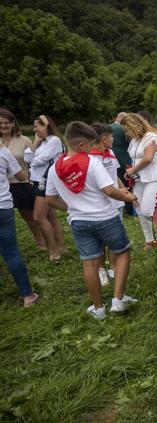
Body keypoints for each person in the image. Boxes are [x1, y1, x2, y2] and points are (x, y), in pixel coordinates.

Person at [46, 122, 137, 319]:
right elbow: (109, 190)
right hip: (105, 217)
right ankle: (118, 300)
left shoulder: (55, 169)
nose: (91, 149)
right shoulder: (92, 162)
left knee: (89, 263)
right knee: (122, 252)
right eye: (89, 145)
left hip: (79, 221)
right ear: (80, 145)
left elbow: (50, 198)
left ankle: (98, 309)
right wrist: (127, 197)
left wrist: (71, 207)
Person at [0, 141, 39, 307]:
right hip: (2, 206)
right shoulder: (3, 152)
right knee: (11, 253)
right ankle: (27, 295)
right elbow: (20, 175)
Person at [23, 114, 66, 263]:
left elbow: (39, 160)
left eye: (36, 126)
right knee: (51, 216)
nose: (34, 129)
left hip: (46, 182)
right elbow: (27, 159)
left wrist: (33, 161)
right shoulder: (42, 142)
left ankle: (54, 252)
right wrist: (36, 142)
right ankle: (61, 247)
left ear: (45, 125)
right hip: (37, 181)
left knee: (38, 217)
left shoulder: (54, 140)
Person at [0, 109, 44, 247]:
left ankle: (40, 239)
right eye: (0, 123)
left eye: (7, 122)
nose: (3, 126)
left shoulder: (24, 140)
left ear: (13, 123)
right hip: (2, 185)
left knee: (29, 216)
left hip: (20, 183)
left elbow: (33, 161)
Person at [90, 123, 126, 286]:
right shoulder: (91, 158)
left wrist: (122, 187)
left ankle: (112, 267)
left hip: (116, 203)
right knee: (100, 240)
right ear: (104, 139)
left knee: (114, 237)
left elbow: (114, 175)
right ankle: (100, 269)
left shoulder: (110, 153)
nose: (113, 139)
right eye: (111, 136)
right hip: (99, 205)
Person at [121, 113, 157, 248]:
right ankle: (149, 240)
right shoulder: (134, 140)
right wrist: (131, 172)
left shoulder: (151, 137)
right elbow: (135, 158)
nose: (126, 133)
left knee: (147, 210)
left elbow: (148, 158)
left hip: (153, 178)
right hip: (139, 179)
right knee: (139, 209)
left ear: (134, 126)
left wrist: (133, 170)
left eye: (127, 129)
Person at [111, 112, 135, 217]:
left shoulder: (108, 128)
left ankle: (120, 206)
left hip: (111, 161)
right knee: (127, 185)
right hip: (125, 161)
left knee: (116, 183)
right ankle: (130, 209)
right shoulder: (124, 130)